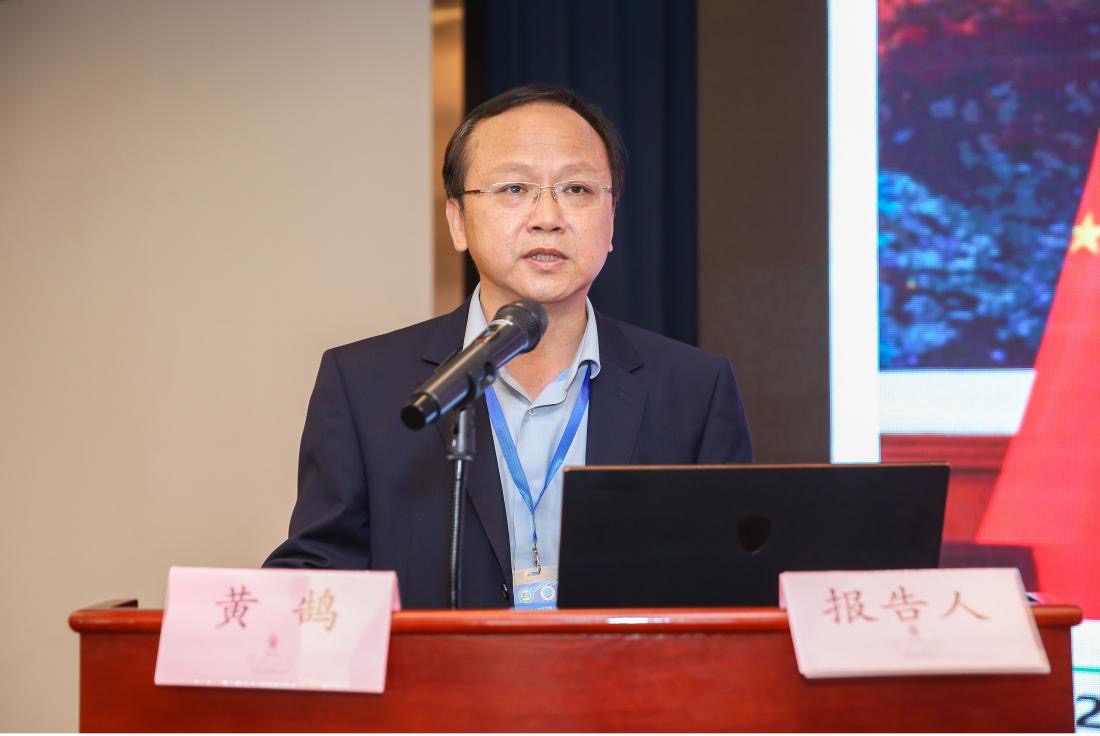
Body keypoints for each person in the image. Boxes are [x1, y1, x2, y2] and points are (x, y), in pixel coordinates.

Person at [264, 85, 752, 608]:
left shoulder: (694, 389)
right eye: (515, 188)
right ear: (458, 220)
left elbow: (737, 585)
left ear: (612, 219)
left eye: (577, 189)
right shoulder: (364, 386)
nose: (548, 217)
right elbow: (319, 576)